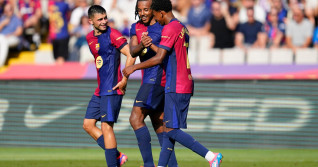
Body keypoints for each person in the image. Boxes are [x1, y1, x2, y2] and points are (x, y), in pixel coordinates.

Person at [123, 0, 223, 167]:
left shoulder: (168, 28)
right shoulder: (181, 27)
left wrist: (134, 67)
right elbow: (168, 52)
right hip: (177, 81)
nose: (151, 17)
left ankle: (210, 156)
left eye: (153, 13)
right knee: (165, 128)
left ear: (161, 13)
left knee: (167, 129)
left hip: (175, 83)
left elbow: (160, 58)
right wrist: (146, 45)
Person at [83, 5, 135, 167]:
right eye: (100, 19)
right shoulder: (89, 38)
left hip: (113, 88)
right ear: (91, 21)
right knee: (88, 124)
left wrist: (125, 79)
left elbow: (131, 54)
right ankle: (117, 156)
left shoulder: (113, 34)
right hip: (100, 90)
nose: (105, 21)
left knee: (106, 127)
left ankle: (113, 163)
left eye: (105, 18)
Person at [129, 0, 177, 166]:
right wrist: (143, 44)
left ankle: (148, 164)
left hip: (157, 78)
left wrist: (152, 45)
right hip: (149, 79)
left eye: (146, 9)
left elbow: (165, 53)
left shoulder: (163, 26)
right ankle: (173, 165)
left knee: (135, 118)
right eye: (139, 10)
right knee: (159, 124)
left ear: (154, 10)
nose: (142, 13)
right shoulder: (136, 27)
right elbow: (132, 50)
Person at [0, 3, 23, 67]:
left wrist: (9, 35)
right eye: (6, 10)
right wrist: (3, 24)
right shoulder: (2, 18)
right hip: (2, 38)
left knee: (3, 40)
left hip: (13, 38)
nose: (9, 12)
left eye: (10, 10)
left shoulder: (16, 19)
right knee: (2, 39)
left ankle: (0, 63)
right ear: (4, 11)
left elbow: (19, 31)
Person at [48, 0, 70, 64]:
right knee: (56, 58)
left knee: (61, 59)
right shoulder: (51, 3)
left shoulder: (64, 4)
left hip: (62, 35)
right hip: (54, 35)